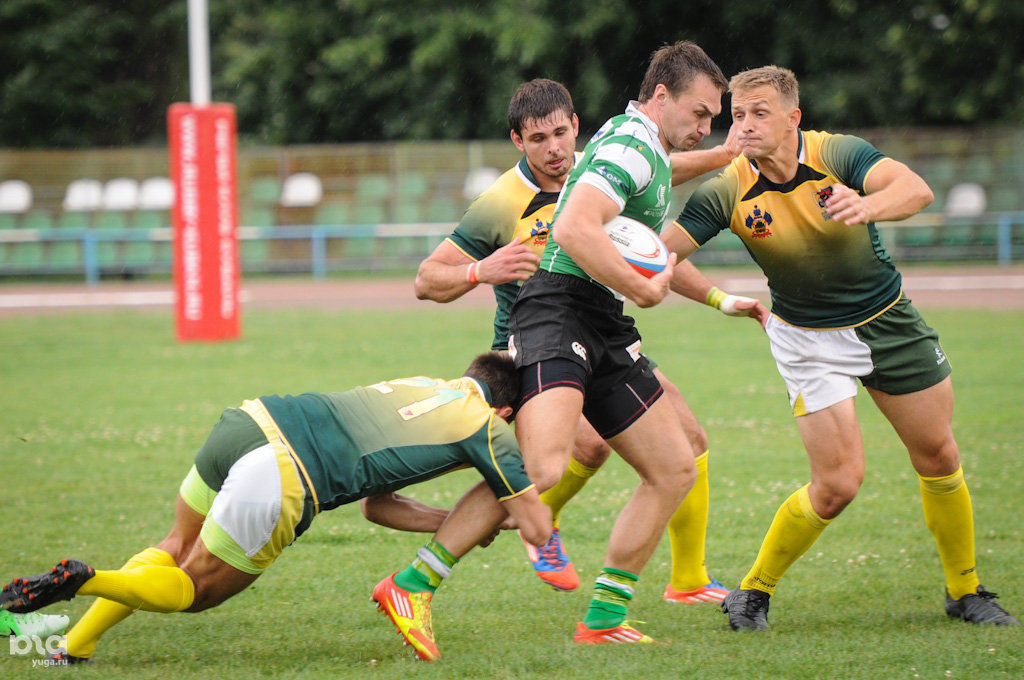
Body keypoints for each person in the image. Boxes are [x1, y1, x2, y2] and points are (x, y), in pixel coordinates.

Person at [663, 65, 1019, 631]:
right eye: (738, 115)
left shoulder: (837, 153)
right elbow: (659, 257)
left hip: (888, 322)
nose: (746, 125)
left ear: (793, 118)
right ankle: (752, 592)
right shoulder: (726, 188)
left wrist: (868, 206)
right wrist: (708, 294)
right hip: (806, 341)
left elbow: (916, 189)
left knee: (939, 456)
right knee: (837, 485)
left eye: (760, 113)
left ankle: (965, 590)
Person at [410, 77, 764, 601]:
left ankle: (686, 579)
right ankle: (527, 521)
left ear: (576, 127)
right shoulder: (501, 202)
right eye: (538, 139)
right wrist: (479, 270)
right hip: (532, 341)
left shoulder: (593, 169)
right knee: (569, 456)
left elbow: (657, 190)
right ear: (517, 141)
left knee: (687, 439)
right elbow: (426, 280)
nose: (554, 149)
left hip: (597, 328)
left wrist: (721, 159)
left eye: (560, 134)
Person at [1, 352, 552, 664]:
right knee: (194, 590)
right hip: (284, 472)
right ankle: (84, 580)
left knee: (174, 546)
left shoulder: (426, 384)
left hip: (248, 423)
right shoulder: (489, 428)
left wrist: (453, 523)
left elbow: (376, 508)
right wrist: (514, 515)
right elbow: (536, 525)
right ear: (506, 411)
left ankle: (74, 646)